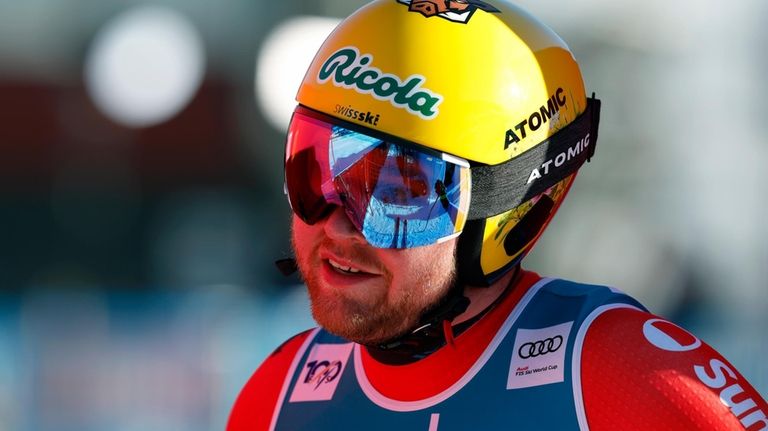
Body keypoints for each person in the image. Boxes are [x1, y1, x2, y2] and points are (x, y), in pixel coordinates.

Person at [228, 1, 768, 429]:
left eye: (397, 195)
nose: (336, 224)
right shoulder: (277, 395)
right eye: (315, 172)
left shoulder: (620, 374)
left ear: (508, 212)